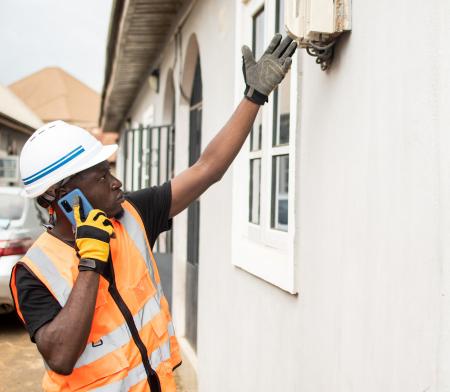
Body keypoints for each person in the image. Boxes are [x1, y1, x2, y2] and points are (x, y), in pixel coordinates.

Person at [10, 34, 297, 392]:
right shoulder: (33, 272)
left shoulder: (133, 213)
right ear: (62, 196)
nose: (117, 183)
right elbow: (61, 356)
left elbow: (207, 169)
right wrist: (90, 263)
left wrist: (253, 96)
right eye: (102, 176)